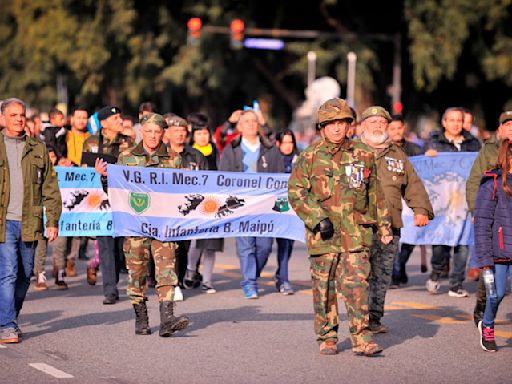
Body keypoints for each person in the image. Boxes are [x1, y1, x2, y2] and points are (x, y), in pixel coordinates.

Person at [288, 98, 393, 356]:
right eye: (330, 124)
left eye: (341, 123)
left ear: (349, 125)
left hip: (356, 233)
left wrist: (384, 226)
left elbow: (375, 193)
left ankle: (362, 338)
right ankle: (327, 335)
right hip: (323, 237)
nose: (336, 128)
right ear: (322, 127)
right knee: (324, 288)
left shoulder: (363, 154)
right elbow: (295, 192)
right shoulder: (309, 157)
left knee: (358, 286)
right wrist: (316, 218)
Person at [97, 113, 189, 336]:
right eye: (148, 132)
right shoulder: (127, 156)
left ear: (163, 134)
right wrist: (104, 177)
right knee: (136, 273)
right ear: (141, 132)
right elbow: (115, 191)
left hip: (163, 226)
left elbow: (179, 194)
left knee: (166, 272)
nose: (153, 136)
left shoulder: (173, 159)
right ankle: (141, 317)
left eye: (157, 132)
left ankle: (167, 319)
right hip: (135, 225)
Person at [359, 106, 434, 333]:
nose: (378, 126)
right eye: (373, 122)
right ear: (363, 126)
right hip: (358, 225)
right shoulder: (351, 151)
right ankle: (358, 321)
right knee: (359, 275)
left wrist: (420, 209)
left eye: (382, 122)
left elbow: (412, 184)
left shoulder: (397, 154)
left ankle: (373, 319)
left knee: (381, 275)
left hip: (390, 226)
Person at [0, 98, 62, 343]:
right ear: (3, 118)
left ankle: (7, 316)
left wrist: (53, 220)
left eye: (22, 114)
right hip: (4, 222)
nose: (18, 119)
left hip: (30, 222)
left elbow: (50, 187)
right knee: (8, 273)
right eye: (13, 115)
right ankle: (7, 325)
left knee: (26, 275)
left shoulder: (37, 148)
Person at [219, 109, 283, 299]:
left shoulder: (270, 149)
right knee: (246, 246)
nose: (250, 124)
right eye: (246, 121)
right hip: (241, 205)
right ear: (239, 126)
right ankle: (249, 283)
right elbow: (223, 177)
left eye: (254, 121)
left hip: (265, 205)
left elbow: (279, 177)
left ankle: (252, 274)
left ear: (259, 125)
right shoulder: (232, 149)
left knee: (264, 246)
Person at [425, 107, 481, 297]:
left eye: (459, 120)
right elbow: (426, 170)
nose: (456, 124)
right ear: (444, 122)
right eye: (452, 120)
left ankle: (456, 284)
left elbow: (480, 166)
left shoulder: (473, 144)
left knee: (463, 245)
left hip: (464, 203)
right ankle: (436, 273)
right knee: (440, 244)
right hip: (442, 203)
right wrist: (429, 158)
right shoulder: (434, 142)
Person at [83, 106, 133, 305]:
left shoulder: (128, 142)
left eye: (120, 116)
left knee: (121, 247)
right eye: (115, 117)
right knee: (105, 245)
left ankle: (117, 275)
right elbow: (83, 172)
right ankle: (110, 289)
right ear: (103, 123)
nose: (120, 120)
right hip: (101, 199)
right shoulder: (91, 142)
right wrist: (93, 171)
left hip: (122, 199)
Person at [466, 110, 512, 326]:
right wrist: (476, 211)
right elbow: (475, 181)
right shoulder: (489, 150)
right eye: (508, 125)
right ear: (500, 129)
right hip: (495, 220)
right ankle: (483, 311)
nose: (511, 129)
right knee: (492, 277)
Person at [473, 139, 512, 352]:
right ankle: (487, 325)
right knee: (496, 294)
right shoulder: (492, 183)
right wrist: (485, 259)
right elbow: (481, 223)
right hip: (499, 251)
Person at [164, 114, 208, 300]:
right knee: (167, 248)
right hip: (165, 209)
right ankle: (169, 283)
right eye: (176, 131)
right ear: (167, 133)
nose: (180, 134)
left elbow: (208, 181)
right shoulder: (160, 154)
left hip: (189, 210)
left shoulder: (196, 156)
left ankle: (178, 280)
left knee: (183, 247)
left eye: (183, 131)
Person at [386, 114, 428, 286]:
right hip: (393, 202)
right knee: (394, 237)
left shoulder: (416, 150)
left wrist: (430, 157)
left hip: (410, 202)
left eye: (399, 128)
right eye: (392, 128)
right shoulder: (384, 150)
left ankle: (401, 264)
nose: (396, 132)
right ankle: (395, 272)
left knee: (412, 238)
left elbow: (425, 171)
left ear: (404, 128)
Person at [183, 113, 223, 294]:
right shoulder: (188, 153)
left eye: (206, 134)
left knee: (211, 243)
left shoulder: (215, 150)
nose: (203, 137)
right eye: (199, 134)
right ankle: (190, 271)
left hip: (214, 201)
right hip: (194, 201)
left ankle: (208, 280)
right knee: (195, 241)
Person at [33, 146, 69, 290]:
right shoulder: (35, 171)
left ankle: (59, 273)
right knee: (40, 247)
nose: (50, 160)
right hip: (40, 215)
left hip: (60, 216)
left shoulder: (63, 170)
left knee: (61, 245)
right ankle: (40, 275)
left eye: (53, 157)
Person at [274, 129, 300, 295]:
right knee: (266, 248)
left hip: (295, 207)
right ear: (278, 144)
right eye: (285, 142)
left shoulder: (300, 160)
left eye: (291, 142)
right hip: (276, 206)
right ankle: (254, 274)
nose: (288, 146)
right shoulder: (271, 160)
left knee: (287, 244)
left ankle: (282, 278)